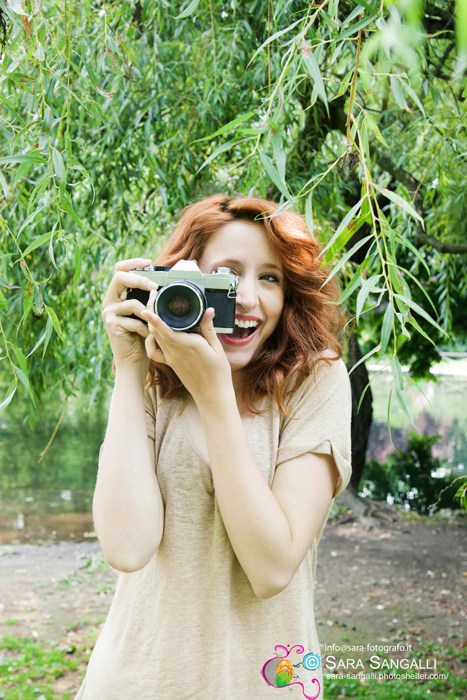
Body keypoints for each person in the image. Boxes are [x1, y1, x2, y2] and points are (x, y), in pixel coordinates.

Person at [75, 194, 352, 700]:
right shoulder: (158, 381)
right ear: (187, 286)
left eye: (270, 277)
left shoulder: (317, 381)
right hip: (136, 682)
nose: (246, 297)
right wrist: (130, 364)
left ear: (291, 294)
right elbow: (126, 546)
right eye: (226, 275)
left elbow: (271, 568)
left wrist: (214, 393)